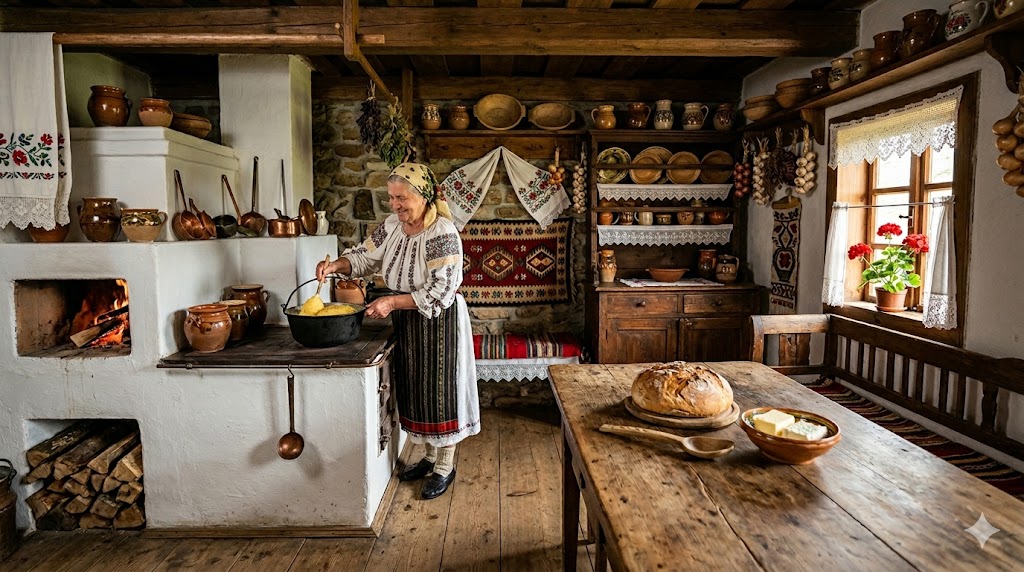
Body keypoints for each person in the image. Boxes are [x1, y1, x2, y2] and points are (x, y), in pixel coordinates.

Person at [317, 162, 479, 500]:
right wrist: (335, 265)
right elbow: (363, 257)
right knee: (416, 389)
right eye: (391, 198)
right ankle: (429, 457)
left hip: (439, 321)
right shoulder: (392, 226)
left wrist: (390, 304)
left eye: (401, 198)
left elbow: (440, 292)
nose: (395, 205)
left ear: (421, 196)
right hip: (408, 318)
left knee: (440, 393)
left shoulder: (441, 233)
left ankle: (445, 467)